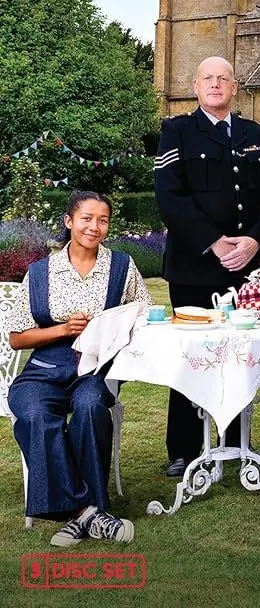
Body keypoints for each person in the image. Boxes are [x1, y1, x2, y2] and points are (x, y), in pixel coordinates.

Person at [154, 55, 260, 476]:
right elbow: (170, 197)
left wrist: (254, 241)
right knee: (191, 356)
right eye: (207, 77)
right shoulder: (177, 130)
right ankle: (185, 450)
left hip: (244, 268)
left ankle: (235, 441)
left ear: (234, 86)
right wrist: (213, 242)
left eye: (223, 78)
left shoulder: (253, 133)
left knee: (239, 355)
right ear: (195, 85)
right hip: (194, 267)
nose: (215, 83)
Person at [7, 190, 151, 547]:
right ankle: (89, 512)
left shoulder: (121, 266)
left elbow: (146, 314)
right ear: (69, 221)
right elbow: (16, 337)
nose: (94, 227)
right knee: (36, 413)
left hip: (95, 370)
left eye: (102, 220)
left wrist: (118, 328)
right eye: (86, 218)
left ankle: (77, 515)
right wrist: (62, 329)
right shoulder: (40, 272)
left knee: (89, 407)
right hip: (43, 366)